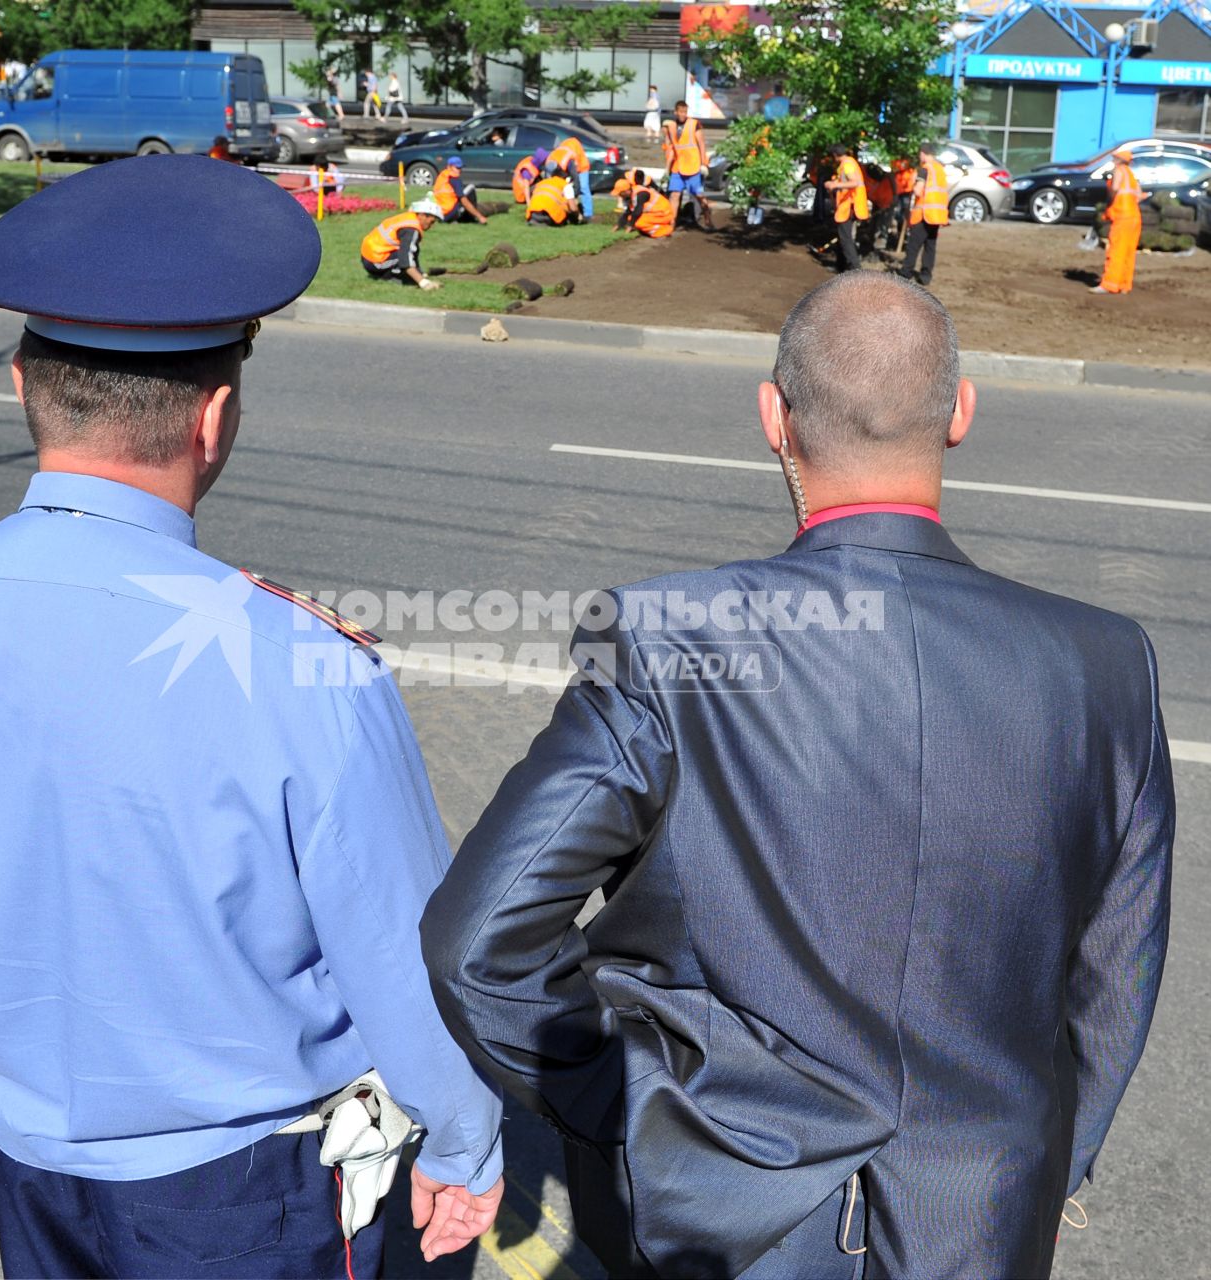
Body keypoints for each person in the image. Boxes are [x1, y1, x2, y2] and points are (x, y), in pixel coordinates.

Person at [0, 156, 504, 1279]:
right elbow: (402, 960)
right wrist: (466, 1143)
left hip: (31, 1155)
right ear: (216, 414)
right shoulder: (296, 662)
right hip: (258, 1189)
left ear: (19, 383)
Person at [420, 270, 1172, 1280]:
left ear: (775, 417)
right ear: (959, 412)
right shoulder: (1105, 662)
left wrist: (632, 1109)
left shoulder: (665, 639)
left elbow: (478, 940)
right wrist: (1033, 1165)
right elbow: (1113, 975)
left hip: (728, 1219)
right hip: (984, 1215)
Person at [1093, 146, 1149, 295]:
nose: (1112, 160)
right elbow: (1139, 196)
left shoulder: (1118, 171)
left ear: (1118, 159)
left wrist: (1108, 201)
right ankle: (1124, 285)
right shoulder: (1131, 174)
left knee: (1116, 250)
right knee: (1128, 251)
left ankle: (1109, 284)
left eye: (1114, 158)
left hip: (1122, 216)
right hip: (1134, 217)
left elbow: (1115, 189)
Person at [360, 196, 445, 287]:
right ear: (422, 215)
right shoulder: (411, 229)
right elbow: (405, 259)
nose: (431, 226)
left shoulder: (409, 218)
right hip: (374, 261)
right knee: (405, 258)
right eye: (431, 222)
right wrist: (423, 283)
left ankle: (411, 275)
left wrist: (420, 273)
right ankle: (389, 277)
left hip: (370, 255)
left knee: (412, 250)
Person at [899, 141, 949, 287]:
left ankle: (906, 273)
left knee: (913, 245)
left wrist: (913, 186)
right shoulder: (940, 169)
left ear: (923, 153)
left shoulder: (925, 170)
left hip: (924, 214)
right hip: (936, 215)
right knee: (930, 246)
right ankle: (925, 275)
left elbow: (918, 190)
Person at [661, 100, 714, 230]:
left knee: (699, 196)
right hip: (677, 167)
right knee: (674, 195)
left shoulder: (694, 124)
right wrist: (667, 168)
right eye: (681, 112)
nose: (683, 114)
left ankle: (708, 219)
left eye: (685, 112)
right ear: (676, 112)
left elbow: (701, 144)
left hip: (692, 167)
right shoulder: (671, 125)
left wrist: (704, 163)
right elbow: (669, 147)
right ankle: (671, 224)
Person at [825, 141, 869, 271]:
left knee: (846, 239)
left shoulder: (848, 165)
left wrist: (835, 185)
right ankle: (841, 267)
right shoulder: (848, 164)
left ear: (835, 155)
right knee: (842, 237)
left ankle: (855, 269)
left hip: (849, 206)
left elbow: (854, 182)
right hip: (848, 206)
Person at [545, 135, 594, 221]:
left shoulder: (567, 161)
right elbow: (549, 181)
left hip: (581, 165)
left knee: (583, 187)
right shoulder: (550, 159)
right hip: (568, 162)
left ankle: (588, 214)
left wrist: (574, 195)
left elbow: (576, 180)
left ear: (558, 168)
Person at [433, 155, 488, 224]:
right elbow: (464, 201)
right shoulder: (455, 179)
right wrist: (480, 217)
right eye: (457, 168)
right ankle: (471, 217)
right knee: (471, 187)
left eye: (460, 168)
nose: (460, 170)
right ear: (449, 166)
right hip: (451, 213)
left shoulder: (442, 176)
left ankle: (453, 219)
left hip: (441, 215)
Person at [886, 155, 917, 252]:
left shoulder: (910, 168)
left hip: (906, 193)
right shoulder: (897, 161)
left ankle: (905, 236)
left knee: (904, 216)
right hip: (897, 193)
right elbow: (895, 169)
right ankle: (899, 235)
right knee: (897, 215)